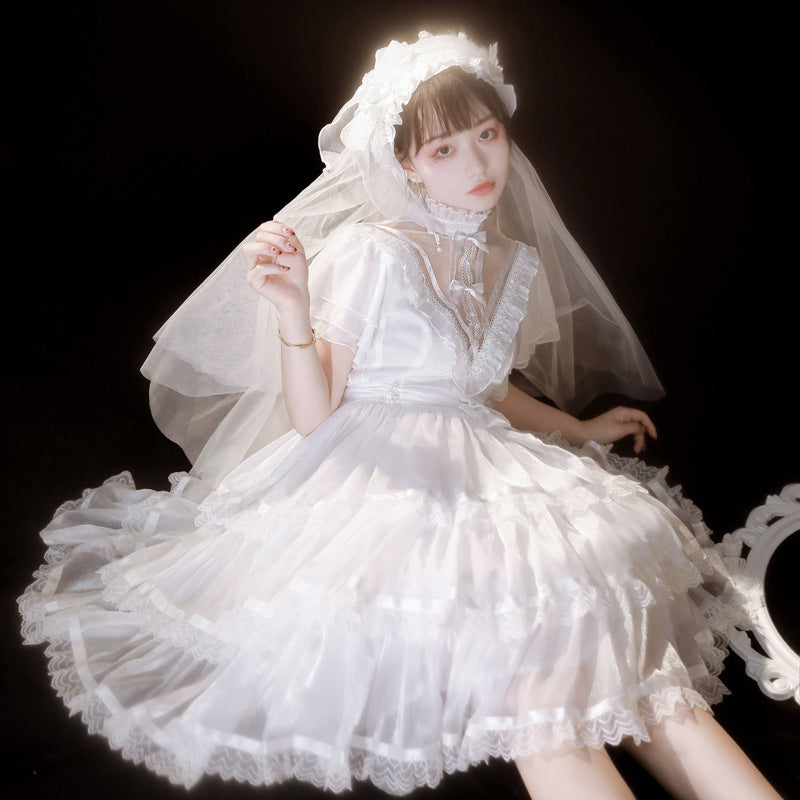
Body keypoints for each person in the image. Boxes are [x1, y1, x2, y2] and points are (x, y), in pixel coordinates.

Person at [18, 31, 780, 800]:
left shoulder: (510, 257)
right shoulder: (372, 251)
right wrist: (294, 312)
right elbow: (315, 415)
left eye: (488, 134)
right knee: (550, 704)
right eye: (444, 149)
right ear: (405, 164)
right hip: (382, 482)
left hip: (487, 467)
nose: (478, 164)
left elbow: (480, 389)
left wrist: (579, 430)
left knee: (646, 681)